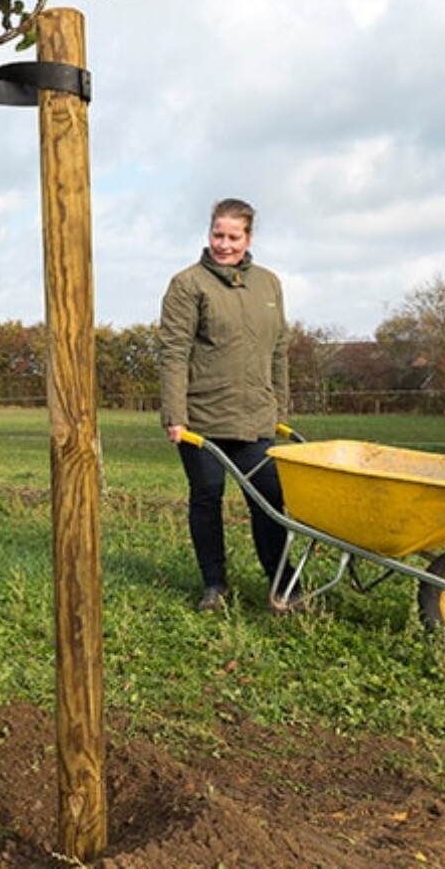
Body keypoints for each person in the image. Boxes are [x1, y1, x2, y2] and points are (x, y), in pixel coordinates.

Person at [158, 198, 297, 614]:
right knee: (207, 496)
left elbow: (279, 352)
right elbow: (173, 352)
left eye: (233, 237)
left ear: (248, 238)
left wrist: (280, 412)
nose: (224, 244)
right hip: (203, 418)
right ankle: (214, 585)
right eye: (218, 235)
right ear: (209, 234)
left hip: (256, 417)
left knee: (270, 501)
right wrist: (175, 416)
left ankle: (284, 585)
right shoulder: (188, 284)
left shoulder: (269, 284)